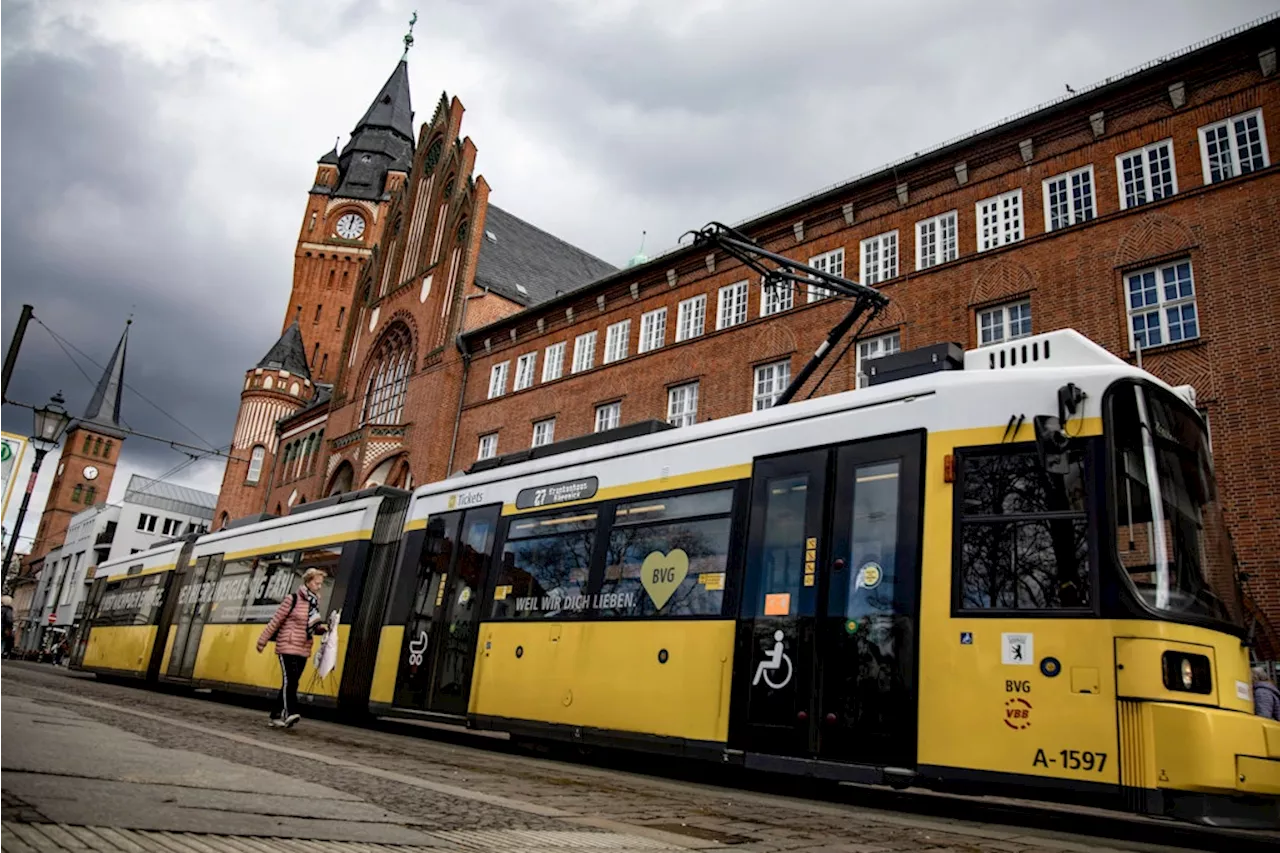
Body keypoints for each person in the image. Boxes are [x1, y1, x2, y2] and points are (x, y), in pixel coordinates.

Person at [256, 568, 328, 728]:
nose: (319, 587)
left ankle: (275, 714)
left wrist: (322, 629)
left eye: (321, 584)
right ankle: (290, 712)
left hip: (303, 647)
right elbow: (276, 621)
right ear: (308, 582)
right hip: (287, 646)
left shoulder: (314, 602)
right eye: (317, 583)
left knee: (290, 681)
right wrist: (262, 641)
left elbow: (312, 626)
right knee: (291, 680)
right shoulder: (292, 599)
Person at [0, 595, 14, 660]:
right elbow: (9, 620)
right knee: (4, 640)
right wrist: (10, 628)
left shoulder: (1, 609)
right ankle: (3, 653)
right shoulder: (9, 610)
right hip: (4, 628)